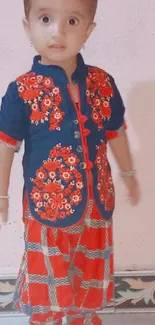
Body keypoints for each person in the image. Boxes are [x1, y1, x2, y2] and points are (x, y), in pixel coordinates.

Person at [0, 0, 140, 324]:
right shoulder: (22, 91)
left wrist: (128, 173)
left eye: (73, 21)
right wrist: (2, 194)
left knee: (86, 284)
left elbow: (115, 131)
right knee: (48, 284)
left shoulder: (102, 84)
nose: (58, 31)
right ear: (27, 27)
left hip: (96, 206)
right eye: (45, 18)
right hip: (45, 208)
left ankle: (82, 318)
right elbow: (5, 145)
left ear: (89, 30)